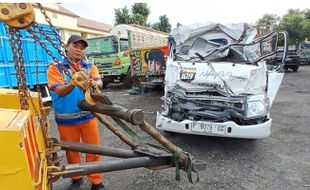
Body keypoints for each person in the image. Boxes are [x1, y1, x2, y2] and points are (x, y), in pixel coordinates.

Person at [47, 35, 105, 190]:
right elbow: (59, 91)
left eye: (82, 47)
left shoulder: (88, 66)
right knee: (72, 152)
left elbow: (99, 81)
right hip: (66, 119)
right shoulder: (55, 67)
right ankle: (76, 177)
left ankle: (96, 181)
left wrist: (95, 83)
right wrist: (72, 82)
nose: (79, 50)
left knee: (93, 149)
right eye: (75, 46)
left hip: (88, 116)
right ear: (66, 47)